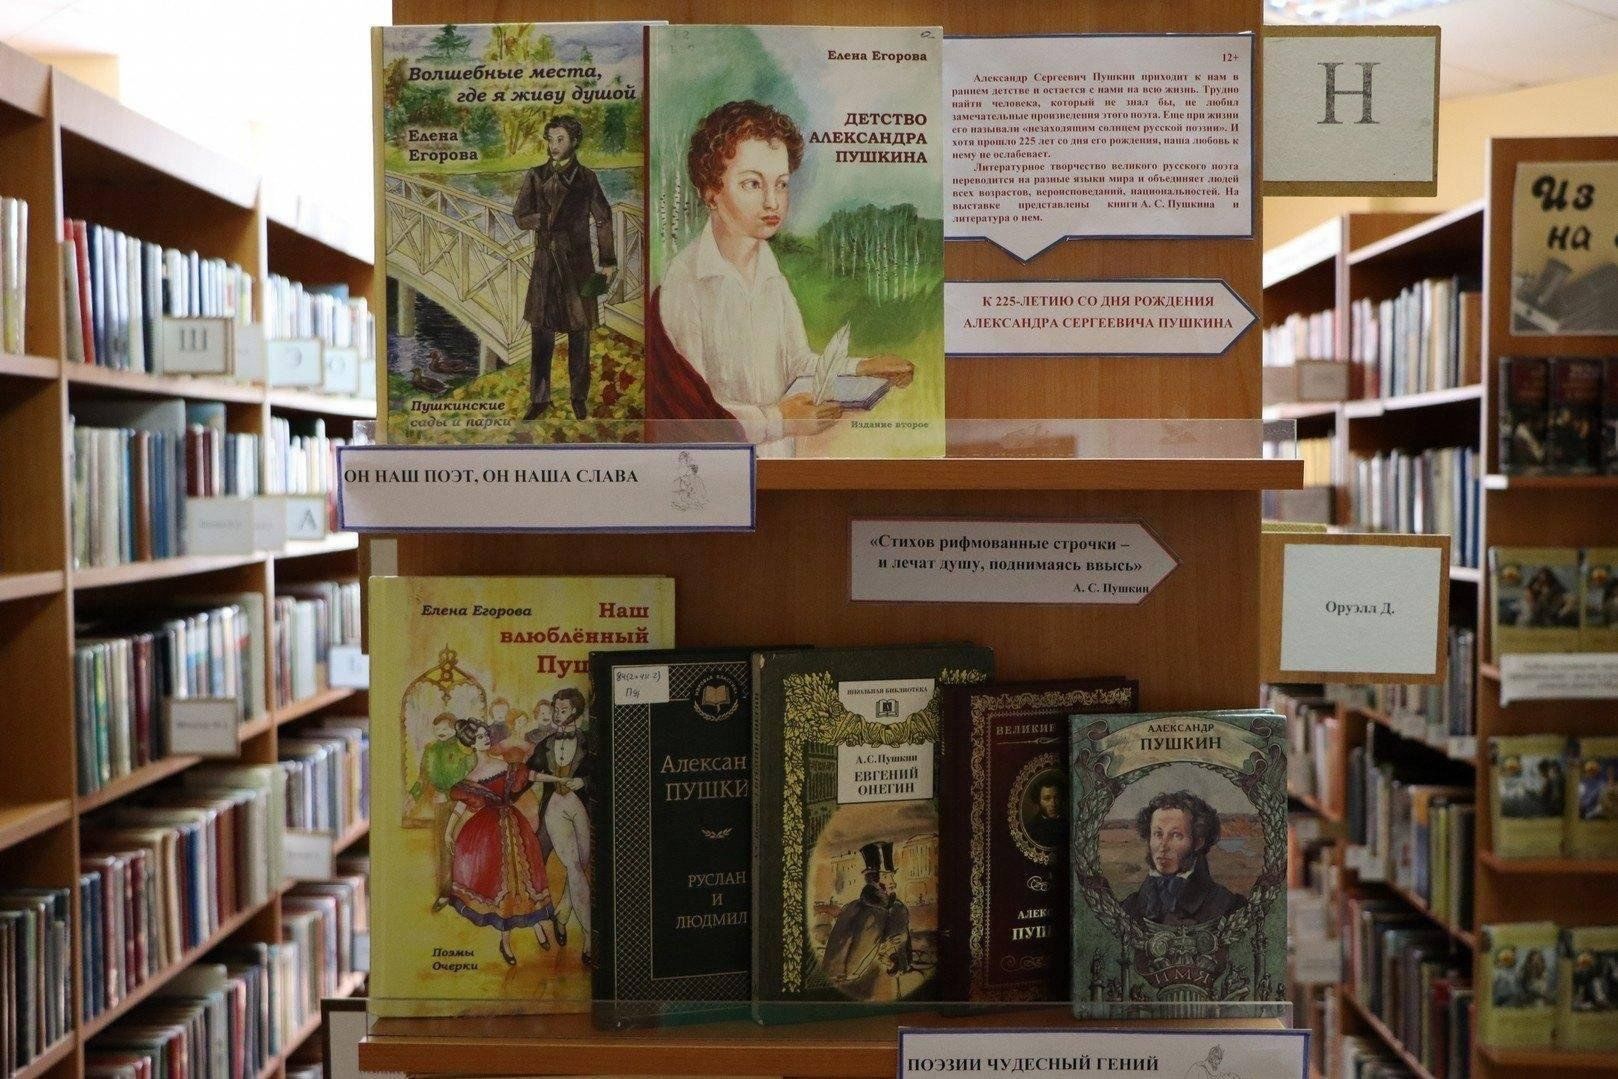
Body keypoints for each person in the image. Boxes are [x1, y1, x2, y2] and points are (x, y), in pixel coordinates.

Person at [649, 99, 914, 456]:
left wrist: (864, 368)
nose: (773, 202)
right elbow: (693, 414)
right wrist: (779, 420)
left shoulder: (771, 275)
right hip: (720, 469)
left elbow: (798, 366)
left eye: (782, 184)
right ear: (711, 192)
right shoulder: (686, 283)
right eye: (752, 184)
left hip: (780, 460)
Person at [513, 114, 617, 423]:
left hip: (578, 264)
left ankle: (578, 397)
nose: (554, 146)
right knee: (541, 334)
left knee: (579, 334)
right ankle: (539, 399)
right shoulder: (535, 175)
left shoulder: (587, 178)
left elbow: (603, 218)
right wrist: (541, 221)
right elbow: (519, 215)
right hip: (545, 264)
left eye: (560, 139)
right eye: (550, 140)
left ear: (574, 142)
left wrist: (608, 261)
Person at [442, 719, 557, 964]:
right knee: (501, 882)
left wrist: (558, 780)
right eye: (479, 737)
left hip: (515, 824)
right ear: (471, 745)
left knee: (525, 876)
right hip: (488, 832)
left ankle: (536, 924)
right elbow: (461, 807)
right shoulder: (472, 777)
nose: (485, 739)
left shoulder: (503, 764)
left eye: (485, 735)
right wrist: (448, 832)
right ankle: (505, 941)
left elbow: (530, 775)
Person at [526, 687, 593, 966]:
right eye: (555, 709)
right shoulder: (546, 744)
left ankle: (562, 915)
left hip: (581, 806)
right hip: (555, 806)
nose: (557, 714)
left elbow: (604, 771)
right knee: (574, 866)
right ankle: (590, 937)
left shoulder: (590, 741)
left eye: (563, 710)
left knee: (581, 865)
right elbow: (528, 773)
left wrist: (584, 781)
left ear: (575, 711)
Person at [1119, 790, 1245, 927]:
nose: (1163, 846)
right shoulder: (1128, 907)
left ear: (1198, 842)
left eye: (1176, 835)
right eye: (1158, 834)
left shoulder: (1226, 906)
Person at [821, 840, 914, 989]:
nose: (893, 882)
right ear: (873, 881)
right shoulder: (853, 908)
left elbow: (903, 955)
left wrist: (894, 962)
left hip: (888, 983)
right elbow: (835, 958)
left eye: (892, 875)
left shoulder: (898, 909)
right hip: (851, 984)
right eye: (886, 876)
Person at [410, 712, 474, 911]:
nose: (441, 732)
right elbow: (423, 777)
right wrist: (413, 796)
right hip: (441, 805)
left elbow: (471, 777)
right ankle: (445, 893)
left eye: (446, 728)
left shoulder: (465, 749)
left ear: (455, 729)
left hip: (465, 803)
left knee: (467, 846)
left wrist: (448, 794)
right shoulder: (431, 750)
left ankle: (469, 893)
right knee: (444, 849)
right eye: (437, 729)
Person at [1025, 776, 1064, 851]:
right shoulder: (1030, 828)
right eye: (1047, 799)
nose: (1053, 804)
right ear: (1038, 801)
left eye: (1057, 797)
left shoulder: (1068, 824)